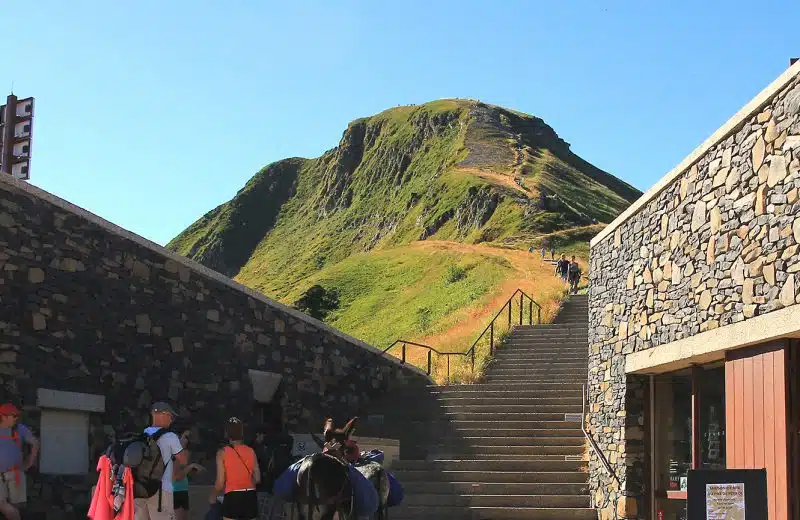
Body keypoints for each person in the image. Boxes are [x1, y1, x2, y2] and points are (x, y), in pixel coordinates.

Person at [136, 402, 188, 520]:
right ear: (163, 414)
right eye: (171, 416)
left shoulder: (143, 435)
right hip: (161, 492)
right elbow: (183, 460)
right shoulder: (170, 436)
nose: (171, 420)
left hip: (140, 491)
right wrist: (182, 445)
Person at [210, 418, 260, 520]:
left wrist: (213, 496)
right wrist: (246, 484)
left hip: (233, 496)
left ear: (226, 433)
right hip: (250, 496)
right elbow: (258, 478)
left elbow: (220, 482)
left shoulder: (222, 453)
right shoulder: (251, 451)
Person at [0, 403, 38, 520]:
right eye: (13, 416)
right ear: (3, 417)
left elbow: (35, 443)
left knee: (16, 507)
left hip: (15, 473)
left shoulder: (19, 429)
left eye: (17, 416)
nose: (16, 418)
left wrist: (30, 462)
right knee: (2, 504)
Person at [172, 429, 205, 520]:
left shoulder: (185, 453)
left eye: (189, 438)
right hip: (175, 492)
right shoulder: (175, 454)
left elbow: (182, 473)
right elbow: (176, 476)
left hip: (183, 490)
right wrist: (191, 466)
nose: (187, 440)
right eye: (185, 437)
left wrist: (193, 469)